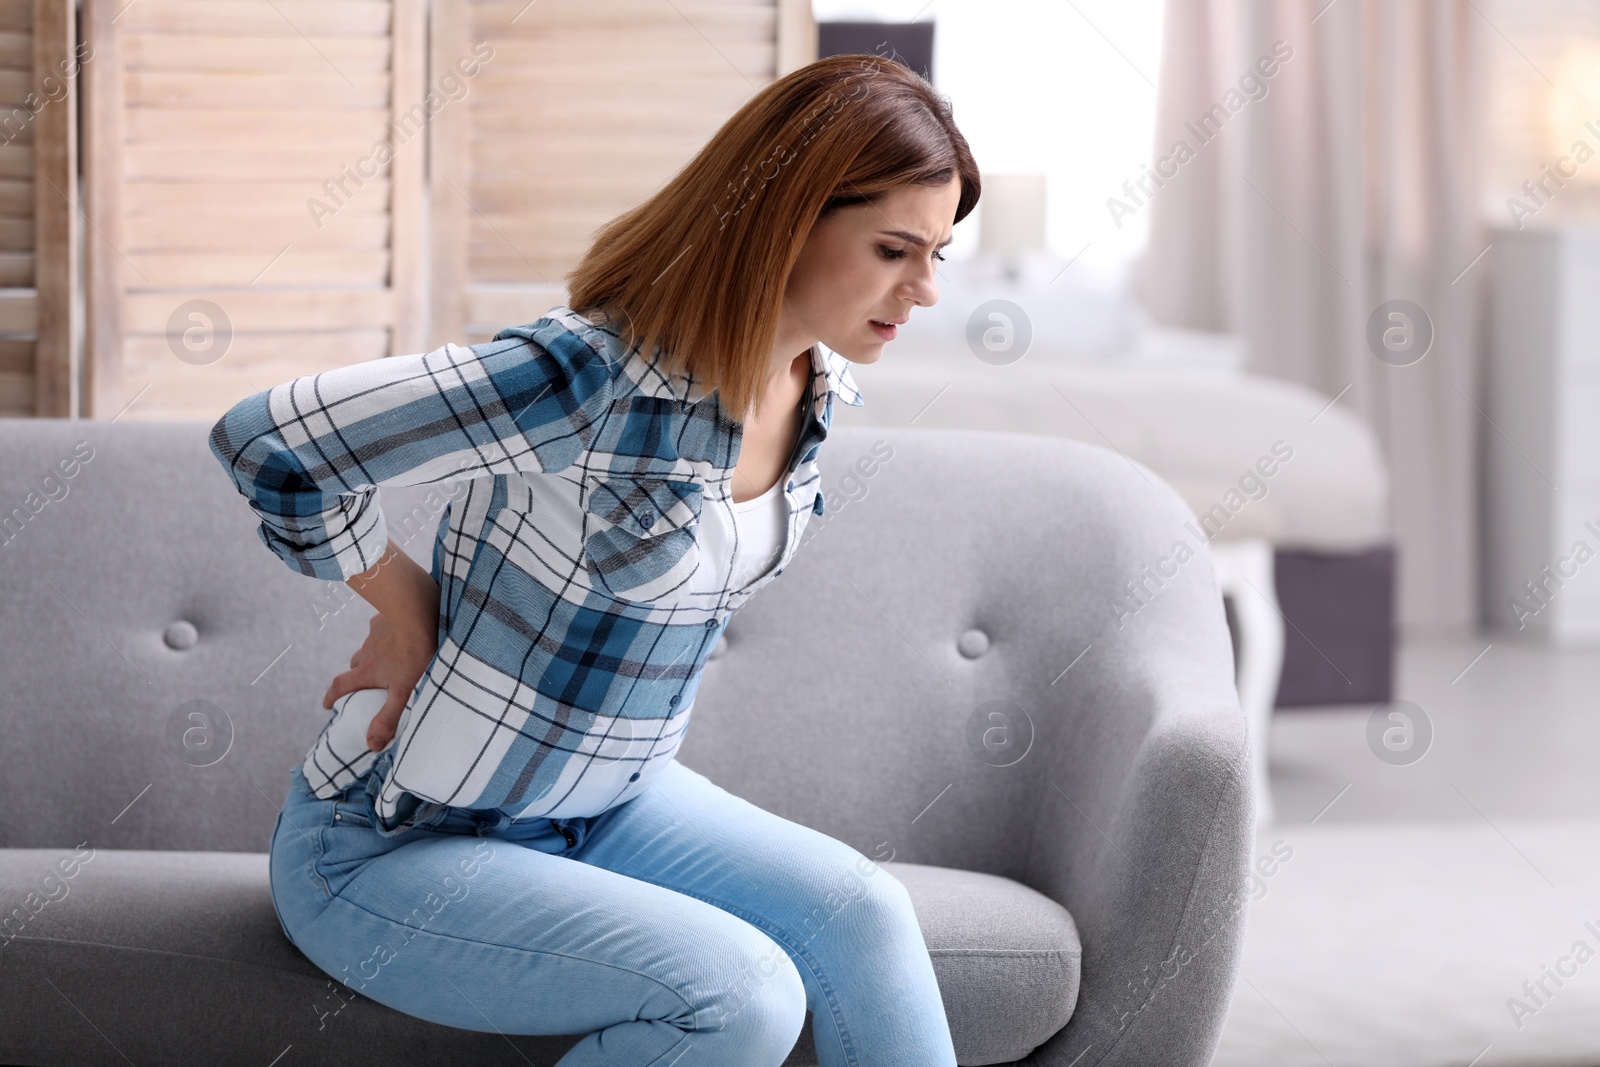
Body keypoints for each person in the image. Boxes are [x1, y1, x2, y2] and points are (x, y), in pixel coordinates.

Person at [209, 52, 980, 1067]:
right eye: (894, 249)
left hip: (610, 801)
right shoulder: (585, 374)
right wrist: (403, 607)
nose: (924, 289)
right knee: (741, 995)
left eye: (937, 254)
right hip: (399, 838)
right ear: (785, 216)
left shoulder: (816, 383)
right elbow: (270, 437)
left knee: (866, 911)